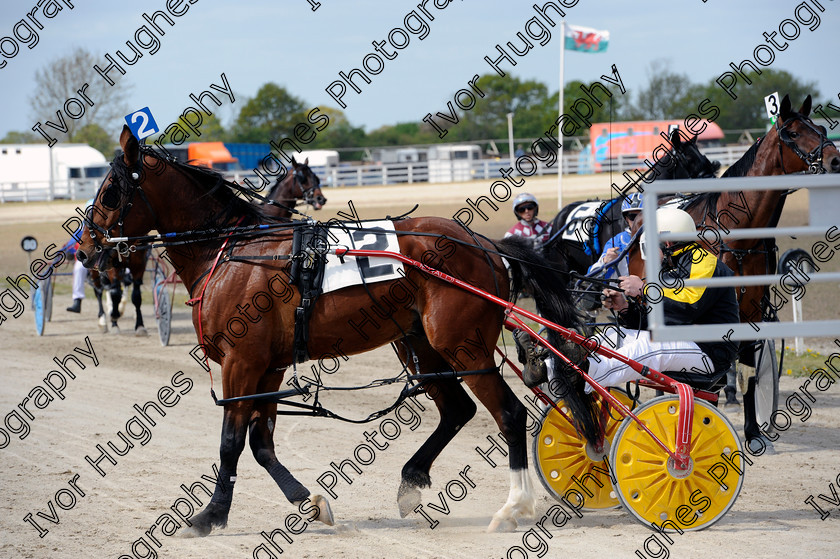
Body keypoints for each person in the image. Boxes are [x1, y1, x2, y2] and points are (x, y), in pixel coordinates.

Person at [519, 207, 740, 392]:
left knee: (650, 346)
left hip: (709, 353)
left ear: (669, 242)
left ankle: (576, 374)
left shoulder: (704, 263)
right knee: (614, 334)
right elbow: (657, 320)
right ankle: (548, 363)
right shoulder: (672, 269)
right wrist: (625, 308)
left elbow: (687, 309)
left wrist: (644, 290)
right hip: (686, 343)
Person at [587, 192, 642, 279]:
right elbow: (592, 277)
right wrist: (605, 262)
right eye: (632, 216)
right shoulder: (617, 242)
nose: (638, 220)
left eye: (642, 215)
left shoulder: (663, 239)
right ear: (626, 219)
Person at [64, 198, 95, 313]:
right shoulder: (82, 226)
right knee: (78, 268)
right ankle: (77, 301)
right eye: (90, 212)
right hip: (87, 259)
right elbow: (72, 242)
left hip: (104, 256)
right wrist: (68, 250)